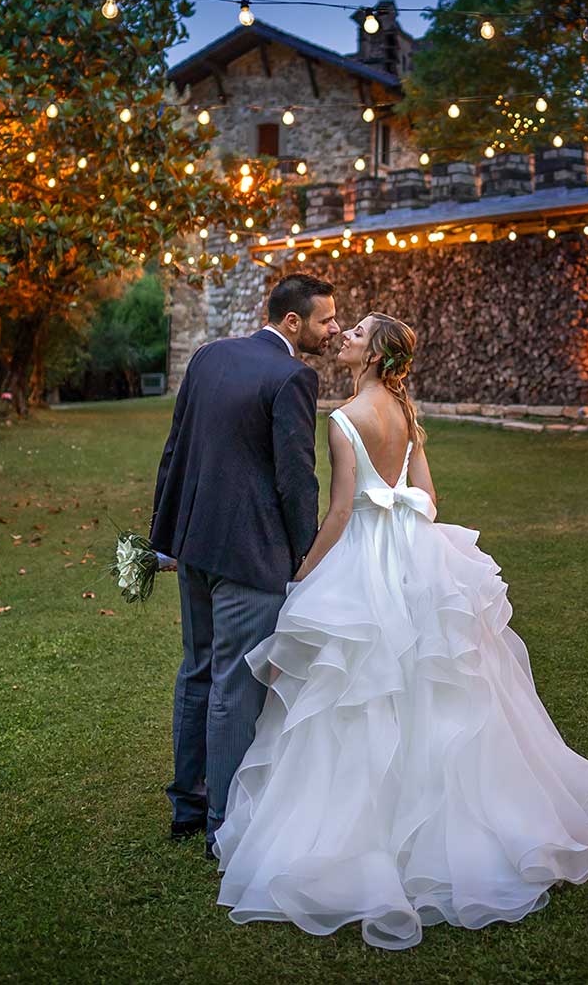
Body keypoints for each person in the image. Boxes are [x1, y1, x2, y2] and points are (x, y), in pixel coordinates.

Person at [212, 312, 588, 950]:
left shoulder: (345, 418)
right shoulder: (406, 413)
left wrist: (302, 575)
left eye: (355, 333)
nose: (343, 336)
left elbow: (342, 510)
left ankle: (365, 840)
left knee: (361, 690)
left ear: (373, 356)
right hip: (416, 554)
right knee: (436, 687)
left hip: (365, 556)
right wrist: (403, 512)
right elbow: (428, 498)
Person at [150, 273, 339, 852]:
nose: (333, 330)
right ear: (292, 322)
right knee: (235, 684)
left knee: (198, 670)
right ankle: (224, 827)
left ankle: (187, 805)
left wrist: (166, 536)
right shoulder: (293, 376)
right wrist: (305, 555)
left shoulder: (209, 357)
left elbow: (176, 448)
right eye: (326, 320)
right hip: (249, 556)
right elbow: (295, 479)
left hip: (195, 545)